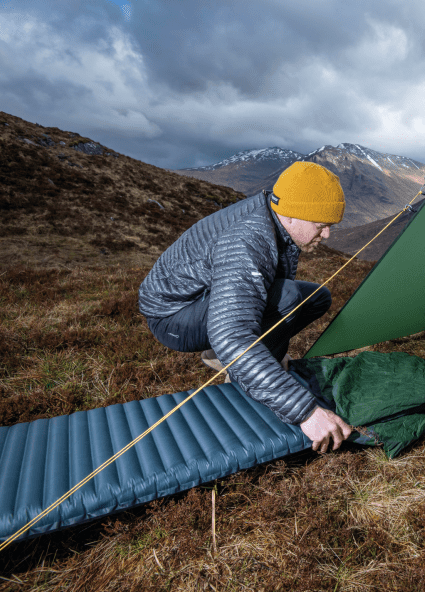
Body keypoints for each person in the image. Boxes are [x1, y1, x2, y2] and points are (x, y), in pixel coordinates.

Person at [138, 161, 353, 453]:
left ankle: (249, 366)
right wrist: (306, 412)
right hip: (173, 316)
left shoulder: (274, 216)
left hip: (206, 302)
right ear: (291, 215)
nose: (327, 234)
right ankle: (242, 378)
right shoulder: (247, 239)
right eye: (321, 225)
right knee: (288, 297)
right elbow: (231, 333)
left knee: (316, 298)